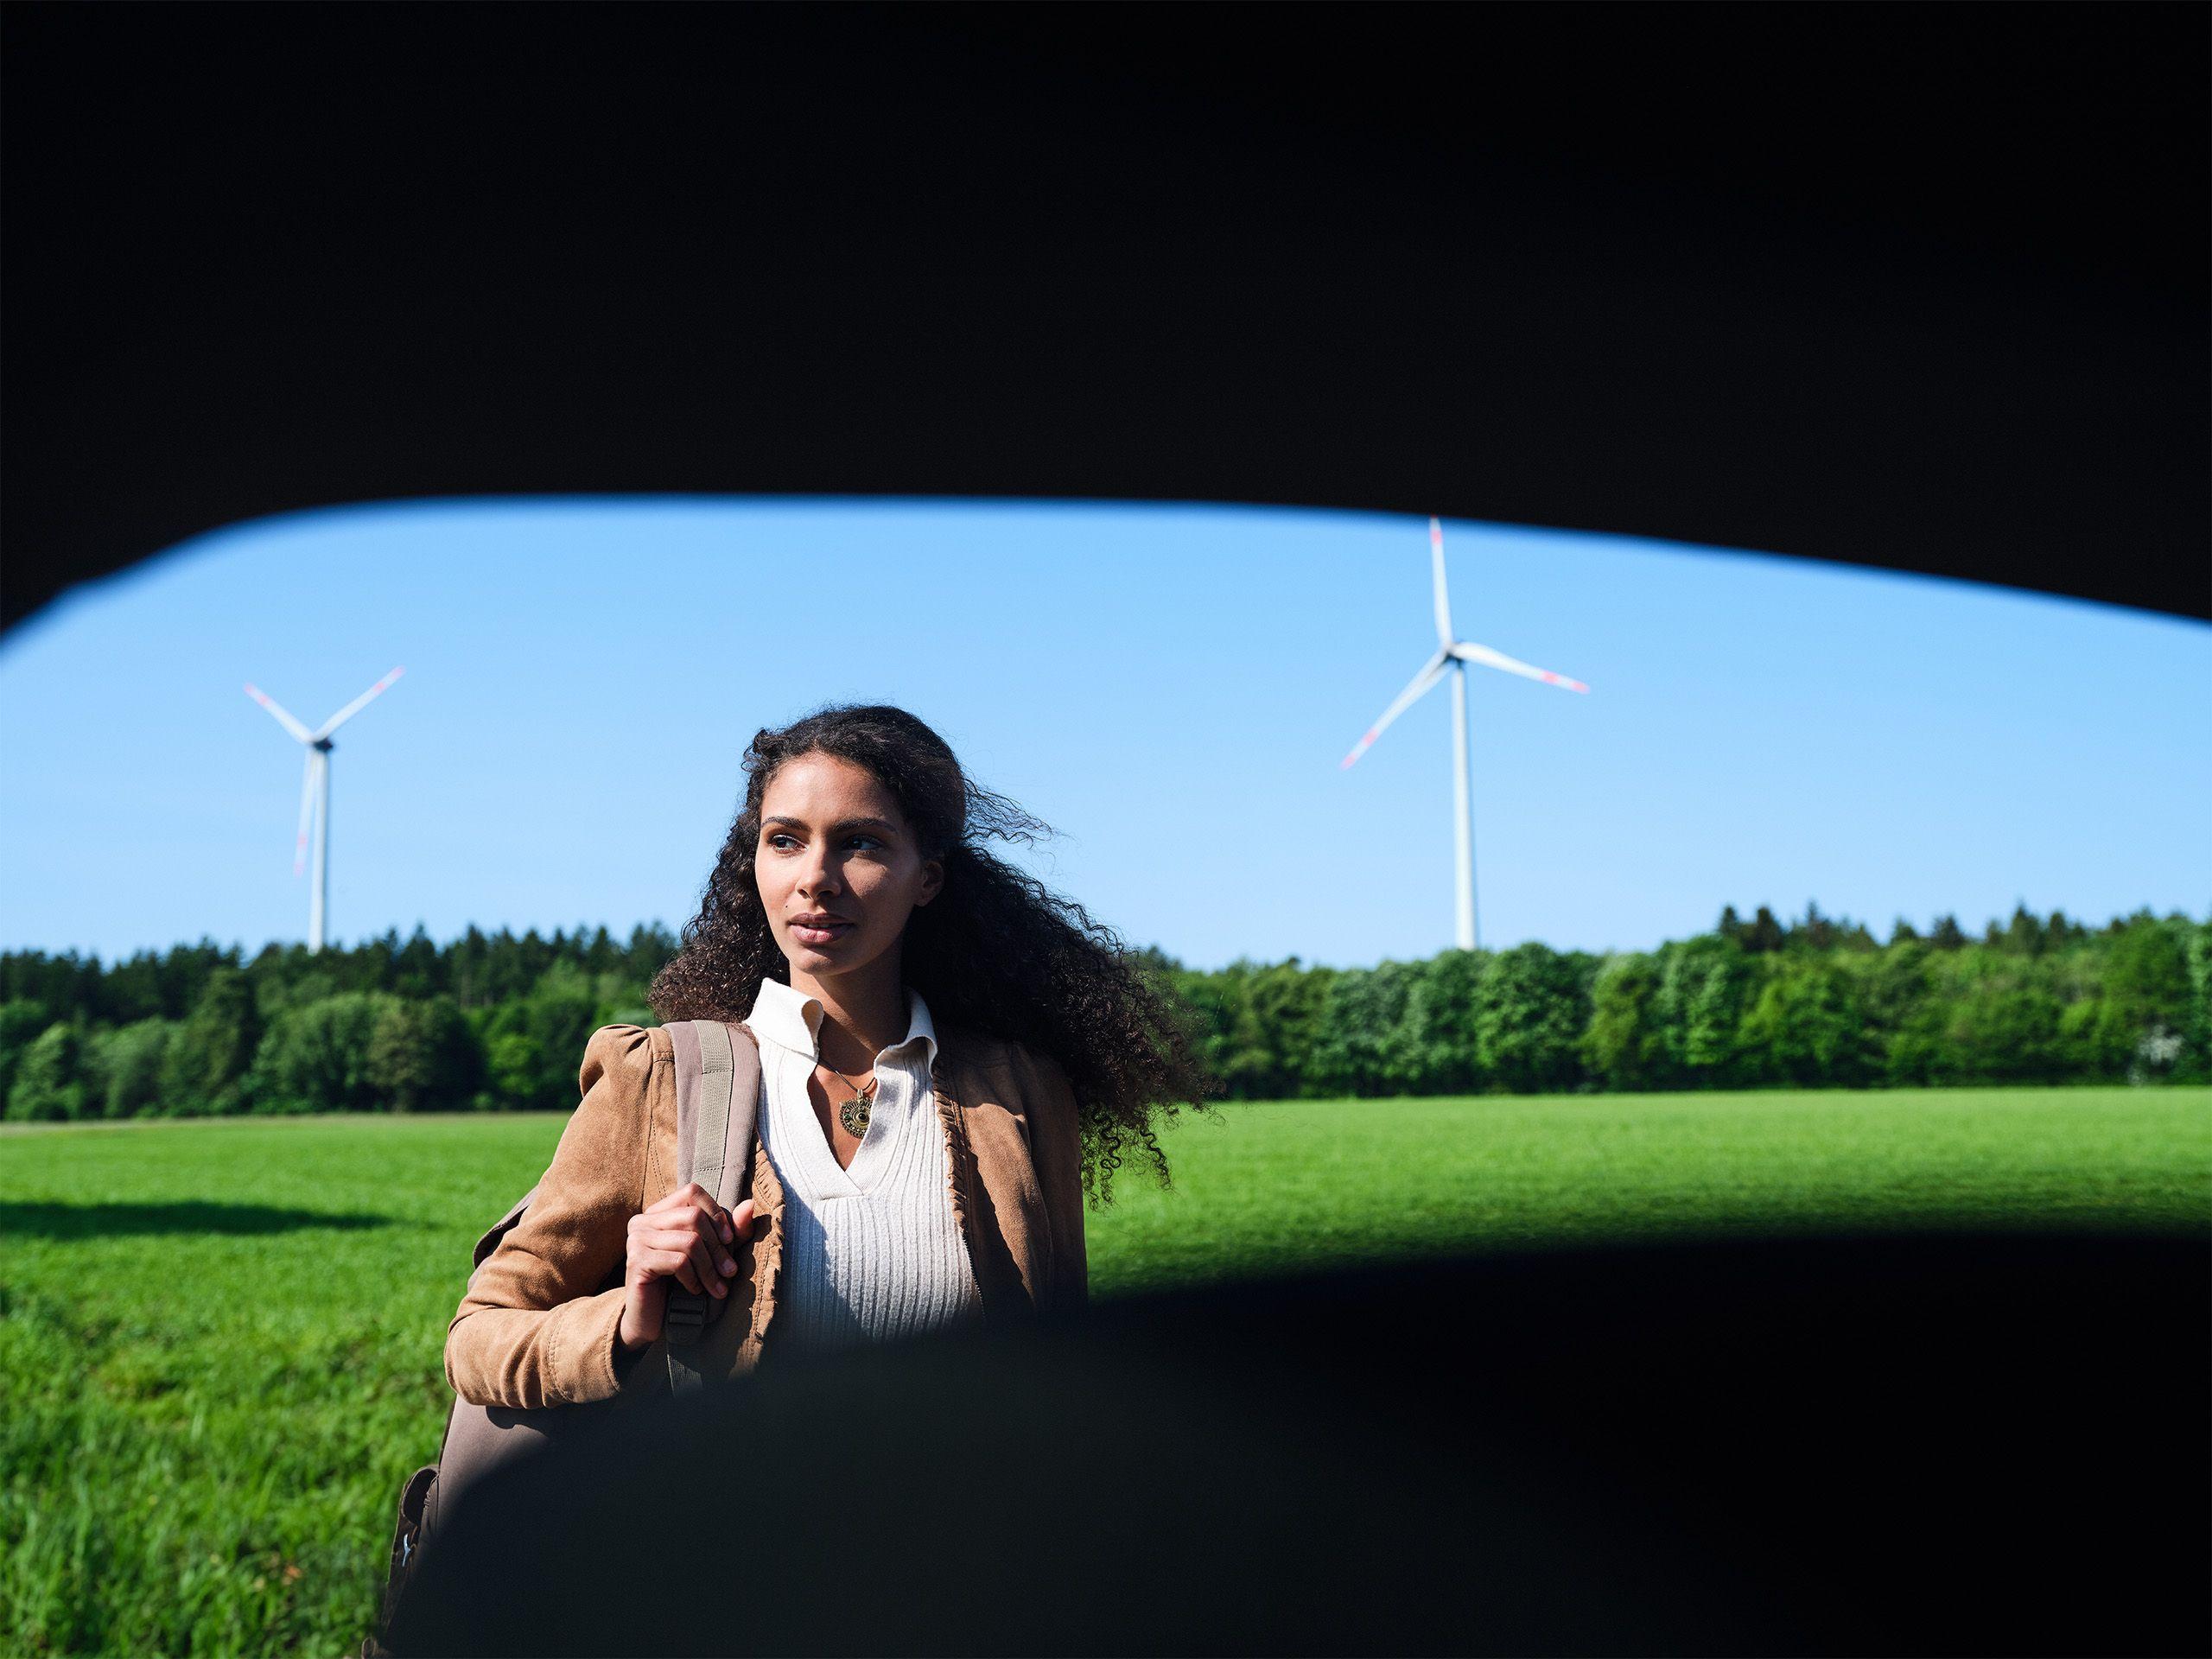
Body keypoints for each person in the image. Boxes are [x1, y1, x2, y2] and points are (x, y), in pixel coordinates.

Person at [442, 702, 1209, 1407]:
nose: (815, 879)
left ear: (927, 880)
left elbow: (1066, 1369)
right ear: (756, 865)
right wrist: (626, 1315)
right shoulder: (662, 1080)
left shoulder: (1020, 1090)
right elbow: (476, 1339)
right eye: (785, 841)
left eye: (860, 844)